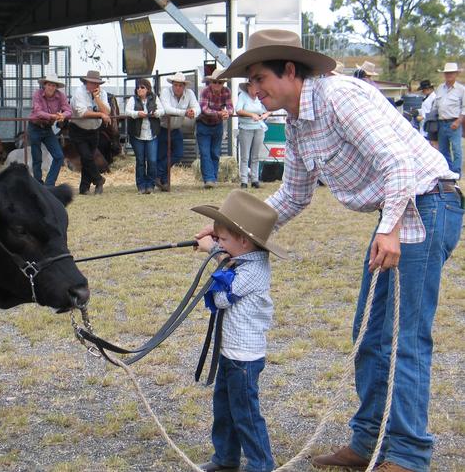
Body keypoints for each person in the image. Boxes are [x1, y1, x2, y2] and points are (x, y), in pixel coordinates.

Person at [207, 29, 462, 472]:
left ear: (290, 70)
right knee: (369, 337)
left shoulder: (338, 97)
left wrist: (388, 228)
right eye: (248, 83)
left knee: (403, 338)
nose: (253, 90)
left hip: (425, 205)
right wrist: (232, 232)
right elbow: (292, 197)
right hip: (400, 211)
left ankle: (407, 455)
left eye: (258, 78)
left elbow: (398, 162)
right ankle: (367, 442)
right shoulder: (296, 122)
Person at [193, 189, 287, 472]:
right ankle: (226, 458)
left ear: (244, 242)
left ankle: (261, 464)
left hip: (244, 357)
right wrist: (219, 247)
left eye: (223, 239)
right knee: (223, 409)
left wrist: (213, 252)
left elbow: (222, 298)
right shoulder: (241, 259)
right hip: (230, 352)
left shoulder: (253, 270)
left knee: (245, 413)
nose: (219, 243)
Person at [157, 72, 200, 191]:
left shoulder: (189, 93)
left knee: (178, 153)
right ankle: (164, 182)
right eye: (175, 85)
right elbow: (166, 109)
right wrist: (185, 112)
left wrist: (193, 112)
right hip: (162, 128)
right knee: (162, 155)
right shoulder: (166, 92)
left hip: (175, 129)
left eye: (180, 85)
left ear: (184, 86)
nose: (178, 87)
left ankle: (157, 173)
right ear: (172, 85)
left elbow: (197, 108)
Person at [69, 70, 111, 195]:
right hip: (78, 129)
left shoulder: (102, 93)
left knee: (88, 159)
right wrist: (101, 114)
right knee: (86, 156)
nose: (94, 85)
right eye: (91, 82)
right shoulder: (79, 92)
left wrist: (97, 98)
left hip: (94, 130)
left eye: (97, 83)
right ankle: (98, 179)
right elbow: (83, 113)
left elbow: (107, 111)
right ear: (86, 82)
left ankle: (84, 188)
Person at [28, 73, 72, 186]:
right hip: (35, 127)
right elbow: (38, 112)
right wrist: (53, 116)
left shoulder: (60, 96)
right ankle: (38, 184)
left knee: (59, 156)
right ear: (44, 85)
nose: (51, 87)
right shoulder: (37, 94)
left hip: (47, 128)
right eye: (49, 85)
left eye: (53, 85)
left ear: (56, 87)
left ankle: (49, 184)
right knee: (37, 158)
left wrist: (63, 115)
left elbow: (68, 110)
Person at [125, 78, 165, 194]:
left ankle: (150, 185)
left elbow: (162, 110)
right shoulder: (133, 99)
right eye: (138, 87)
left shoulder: (155, 98)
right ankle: (141, 186)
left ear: (148, 88)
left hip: (152, 134)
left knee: (152, 160)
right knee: (140, 161)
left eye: (142, 87)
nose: (139, 89)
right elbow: (127, 111)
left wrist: (156, 113)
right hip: (137, 135)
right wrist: (137, 114)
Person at [197, 67, 234, 189]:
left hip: (217, 125)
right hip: (203, 124)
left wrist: (227, 113)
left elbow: (230, 107)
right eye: (215, 82)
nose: (217, 84)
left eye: (220, 82)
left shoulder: (227, 91)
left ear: (223, 83)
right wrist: (219, 113)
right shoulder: (205, 91)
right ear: (210, 82)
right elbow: (204, 109)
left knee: (215, 153)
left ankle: (212, 178)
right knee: (205, 153)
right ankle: (209, 179)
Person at [236, 79, 270, 189]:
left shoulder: (260, 98)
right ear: (249, 87)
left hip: (259, 127)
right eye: (255, 87)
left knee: (256, 156)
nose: (257, 90)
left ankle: (255, 179)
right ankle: (244, 180)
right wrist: (251, 115)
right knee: (245, 156)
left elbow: (270, 108)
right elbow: (238, 110)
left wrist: (266, 115)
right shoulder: (243, 96)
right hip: (245, 128)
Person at [434, 62, 464, 177]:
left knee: (456, 149)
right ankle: (447, 171)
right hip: (441, 122)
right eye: (447, 73)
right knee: (443, 149)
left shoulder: (461, 89)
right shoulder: (440, 88)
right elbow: (436, 105)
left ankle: (456, 173)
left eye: (451, 73)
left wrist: (458, 121)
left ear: (456, 74)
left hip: (454, 122)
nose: (449, 75)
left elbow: (464, 107)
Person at [415, 80, 437, 147]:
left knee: (430, 144)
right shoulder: (426, 97)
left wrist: (422, 117)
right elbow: (425, 109)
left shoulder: (434, 98)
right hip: (424, 124)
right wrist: (417, 111)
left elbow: (433, 111)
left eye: (423, 90)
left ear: (428, 89)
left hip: (430, 123)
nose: (422, 92)